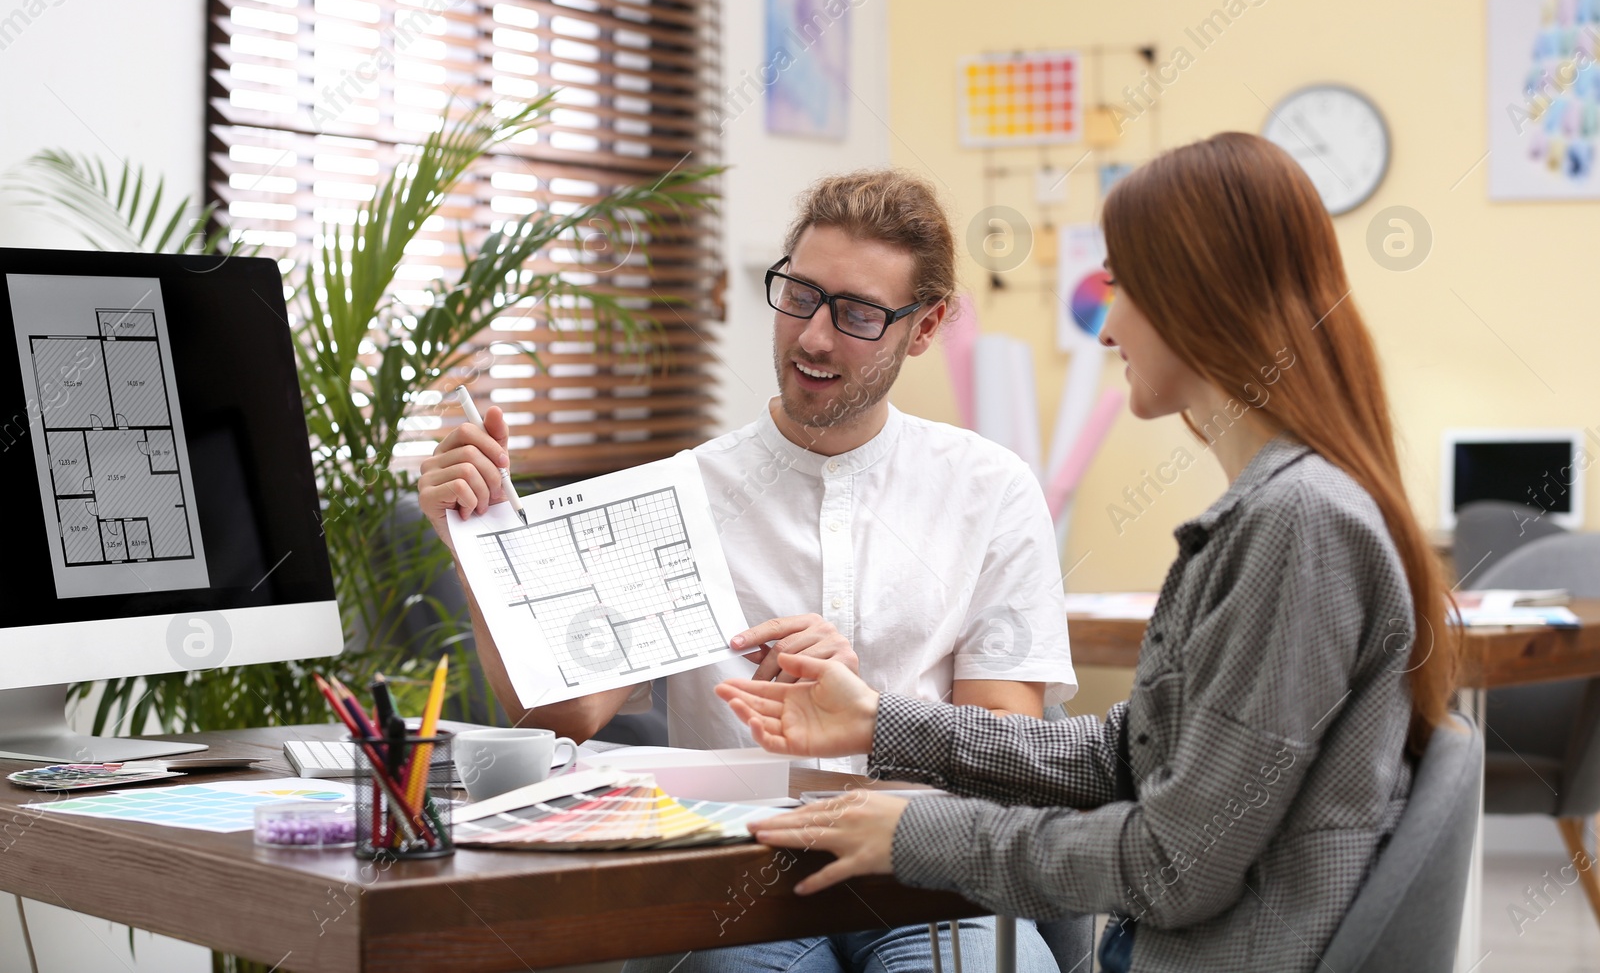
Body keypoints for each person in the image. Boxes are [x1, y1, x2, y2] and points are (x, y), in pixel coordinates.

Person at [715, 132, 1460, 973]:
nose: (1107, 328)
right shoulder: (1284, 509)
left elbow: (1173, 865)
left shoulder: (1296, 526)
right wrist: (881, 721)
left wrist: (920, 831)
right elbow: (1131, 751)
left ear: (1199, 300)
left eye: (1124, 288)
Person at [418, 169, 1076, 972]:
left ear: (926, 325)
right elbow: (560, 716)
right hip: (743, 890)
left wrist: (871, 711)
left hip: (927, 880)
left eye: (859, 313)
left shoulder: (990, 490)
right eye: (799, 295)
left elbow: (1007, 745)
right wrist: (478, 542)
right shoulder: (684, 491)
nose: (814, 338)